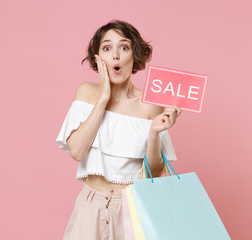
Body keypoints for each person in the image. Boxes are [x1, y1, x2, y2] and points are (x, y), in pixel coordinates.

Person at [56, 19, 182, 240]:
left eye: (124, 47)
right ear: (98, 58)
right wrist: (103, 98)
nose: (115, 55)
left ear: (134, 56)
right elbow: (76, 151)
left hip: (133, 209)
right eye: (106, 48)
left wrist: (154, 133)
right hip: (90, 208)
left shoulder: (150, 104)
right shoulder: (86, 92)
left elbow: (154, 173)